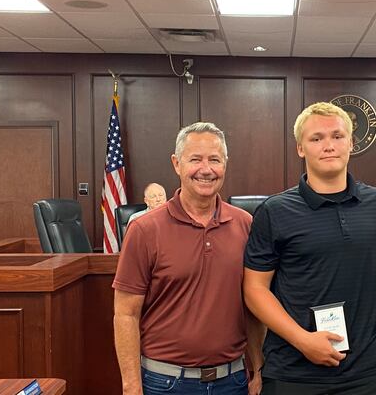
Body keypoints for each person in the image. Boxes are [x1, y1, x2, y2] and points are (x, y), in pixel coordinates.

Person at [243, 102, 376, 395]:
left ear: (351, 143)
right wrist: (302, 340)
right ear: (301, 148)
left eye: (337, 136)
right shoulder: (275, 211)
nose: (329, 145)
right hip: (293, 372)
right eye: (316, 138)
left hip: (364, 372)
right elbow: (254, 290)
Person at [113, 122, 264, 395]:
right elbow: (125, 314)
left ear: (225, 164)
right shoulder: (144, 229)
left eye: (215, 160)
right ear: (176, 164)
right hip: (164, 384)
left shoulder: (246, 224)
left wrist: (258, 369)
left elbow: (253, 309)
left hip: (234, 382)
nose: (206, 169)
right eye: (195, 159)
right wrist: (131, 386)